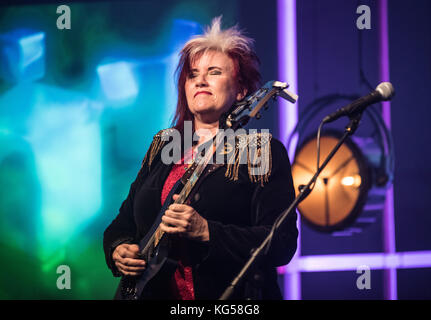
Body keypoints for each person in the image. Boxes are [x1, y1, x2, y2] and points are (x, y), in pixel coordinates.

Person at [103, 16, 298, 300]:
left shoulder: (260, 150)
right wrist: (119, 248)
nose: (200, 81)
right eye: (192, 74)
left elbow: (281, 243)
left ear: (241, 89)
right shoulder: (164, 146)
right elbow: (123, 223)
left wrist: (207, 231)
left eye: (214, 72)